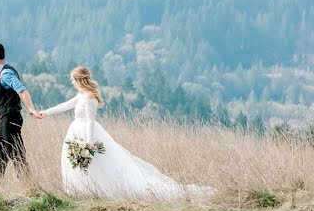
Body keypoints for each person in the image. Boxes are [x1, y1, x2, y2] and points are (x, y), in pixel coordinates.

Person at [38, 65, 213, 199]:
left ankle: (97, 190)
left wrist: (89, 142)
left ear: (79, 80)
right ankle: (82, 191)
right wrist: (45, 112)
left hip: (86, 133)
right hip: (76, 132)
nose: (72, 83)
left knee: (96, 163)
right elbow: (65, 106)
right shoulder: (80, 96)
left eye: (73, 80)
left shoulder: (90, 97)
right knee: (79, 163)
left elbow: (91, 121)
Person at [0, 42, 40, 180]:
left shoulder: (6, 74)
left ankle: (26, 184)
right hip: (8, 118)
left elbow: (22, 91)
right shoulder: (5, 71)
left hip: (10, 118)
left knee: (14, 152)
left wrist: (31, 109)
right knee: (4, 151)